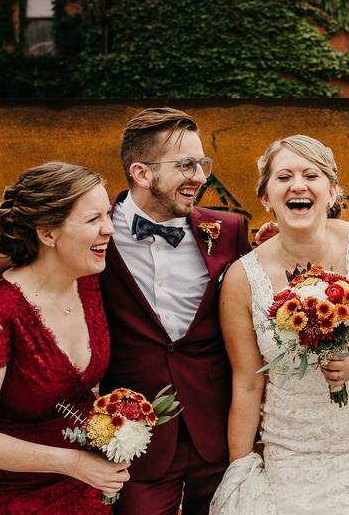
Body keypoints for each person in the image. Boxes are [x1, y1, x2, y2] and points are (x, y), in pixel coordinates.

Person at [210, 134, 349, 515]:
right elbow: (247, 380)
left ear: (331, 192)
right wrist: (239, 467)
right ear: (265, 198)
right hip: (294, 445)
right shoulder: (243, 279)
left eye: (311, 175)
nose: (298, 185)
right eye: (283, 177)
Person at [0, 162, 128, 514]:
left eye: (107, 215)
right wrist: (74, 463)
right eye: (93, 220)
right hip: (12, 493)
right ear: (47, 234)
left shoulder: (88, 281)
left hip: (89, 485)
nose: (109, 229)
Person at [100, 107, 251, 515]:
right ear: (142, 173)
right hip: (133, 436)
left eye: (202, 163)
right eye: (186, 165)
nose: (200, 177)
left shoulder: (229, 232)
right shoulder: (96, 231)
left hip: (216, 430)